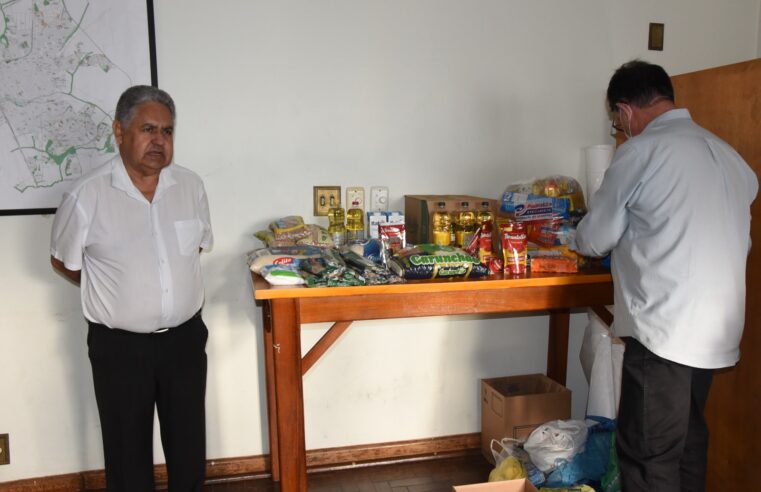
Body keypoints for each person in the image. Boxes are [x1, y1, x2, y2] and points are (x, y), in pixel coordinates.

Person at [574, 60, 758, 491]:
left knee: (648, 452)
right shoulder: (728, 155)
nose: (619, 130)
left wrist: (577, 232)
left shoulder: (640, 151)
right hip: (716, 331)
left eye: (615, 122)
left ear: (626, 110)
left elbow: (595, 238)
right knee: (688, 442)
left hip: (665, 331)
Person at [50, 85, 213, 491]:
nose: (159, 141)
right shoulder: (87, 195)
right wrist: (117, 291)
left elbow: (195, 248)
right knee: (127, 464)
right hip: (120, 349)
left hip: (184, 343)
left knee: (189, 455)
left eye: (168, 131)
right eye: (148, 129)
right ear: (119, 132)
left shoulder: (191, 187)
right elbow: (63, 262)